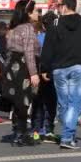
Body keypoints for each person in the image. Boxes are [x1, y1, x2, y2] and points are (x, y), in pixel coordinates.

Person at [41, 0, 81, 150]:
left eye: (59, 6)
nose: (58, 9)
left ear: (65, 6)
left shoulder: (55, 23)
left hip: (59, 68)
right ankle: (68, 136)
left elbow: (48, 47)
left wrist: (45, 68)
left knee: (64, 104)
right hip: (79, 67)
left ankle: (68, 135)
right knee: (74, 103)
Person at [3, 0, 40, 146]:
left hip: (12, 66)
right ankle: (22, 134)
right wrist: (34, 73)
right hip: (23, 66)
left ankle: (17, 131)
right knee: (24, 101)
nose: (38, 13)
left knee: (16, 101)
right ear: (28, 12)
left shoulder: (13, 28)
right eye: (35, 10)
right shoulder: (28, 28)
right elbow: (29, 52)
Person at [31, 11, 58, 143]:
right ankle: (49, 130)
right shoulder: (58, 39)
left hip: (38, 73)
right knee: (51, 103)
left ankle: (36, 130)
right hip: (52, 74)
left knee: (37, 102)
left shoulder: (38, 38)